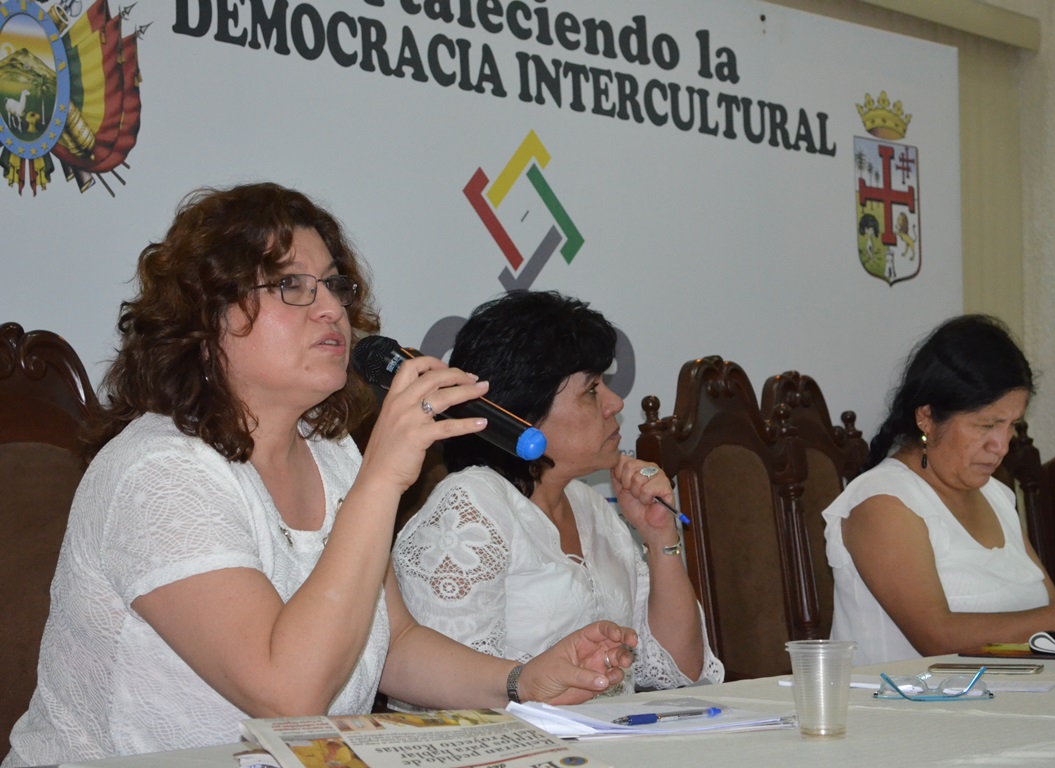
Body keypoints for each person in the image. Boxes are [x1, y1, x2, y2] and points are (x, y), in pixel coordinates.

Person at [2, 184, 637, 767]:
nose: (331, 307)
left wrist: (522, 681)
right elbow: (286, 695)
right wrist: (381, 481)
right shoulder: (157, 472)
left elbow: (392, 644)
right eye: (290, 286)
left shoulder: (330, 454)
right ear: (205, 319)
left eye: (334, 285)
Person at [392, 291, 723, 692]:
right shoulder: (471, 504)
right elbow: (447, 693)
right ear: (523, 411)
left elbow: (680, 670)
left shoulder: (591, 506)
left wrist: (660, 539)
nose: (616, 403)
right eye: (592, 389)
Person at [822, 315, 1055, 666]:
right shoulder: (882, 501)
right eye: (985, 425)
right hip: (902, 698)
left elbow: (1053, 608)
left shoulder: (997, 496)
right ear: (926, 417)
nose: (1001, 446)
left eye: (1011, 425)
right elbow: (936, 636)